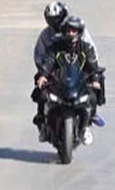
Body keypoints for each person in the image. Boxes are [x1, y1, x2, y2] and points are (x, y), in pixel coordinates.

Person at [35, 16, 104, 146]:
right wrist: (43, 75)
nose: (70, 33)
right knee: (42, 95)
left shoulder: (86, 48)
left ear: (79, 32)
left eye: (73, 31)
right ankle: (43, 125)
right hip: (59, 83)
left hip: (79, 84)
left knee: (93, 98)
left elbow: (93, 66)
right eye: (67, 31)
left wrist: (95, 79)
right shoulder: (56, 47)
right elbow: (48, 61)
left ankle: (86, 125)